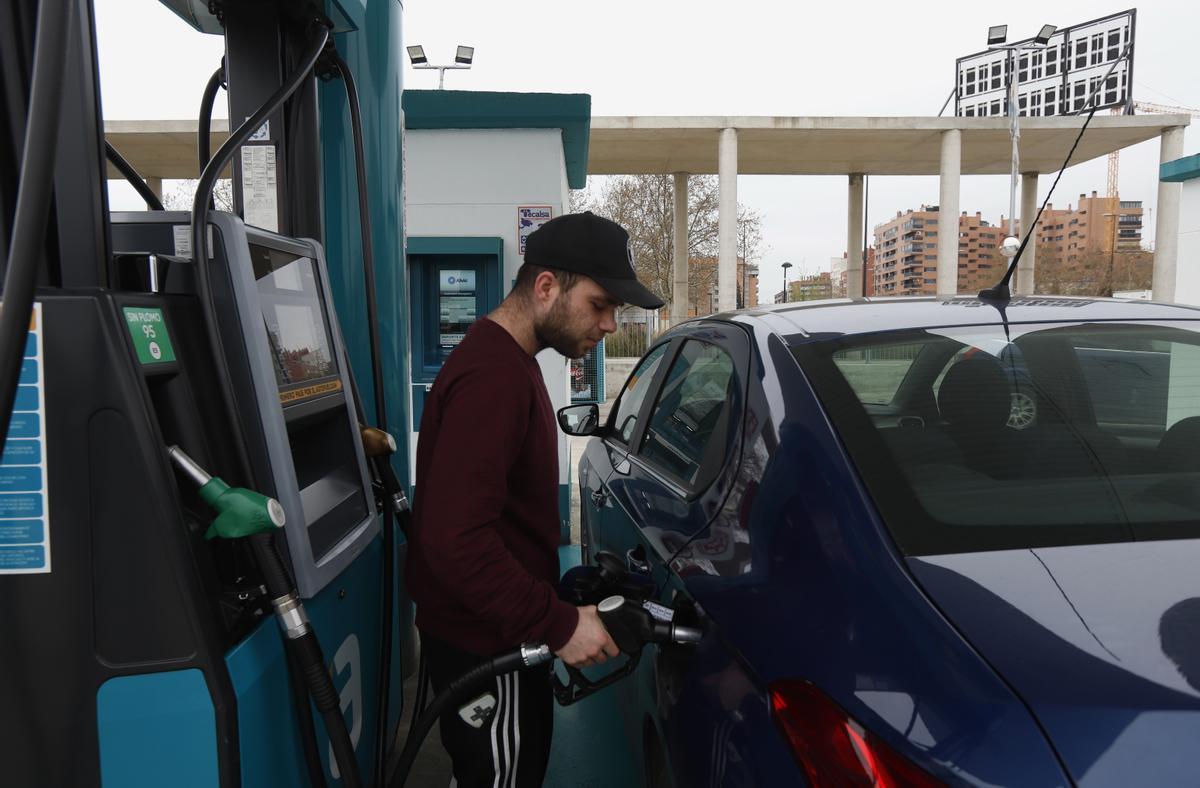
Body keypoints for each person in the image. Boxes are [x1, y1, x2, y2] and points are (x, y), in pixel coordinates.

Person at [406, 212, 666, 787]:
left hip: (492, 632)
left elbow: (488, 521)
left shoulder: (504, 361)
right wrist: (558, 623)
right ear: (546, 286)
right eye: (600, 303)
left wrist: (555, 596)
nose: (608, 323)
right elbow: (454, 540)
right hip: (485, 648)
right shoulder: (492, 378)